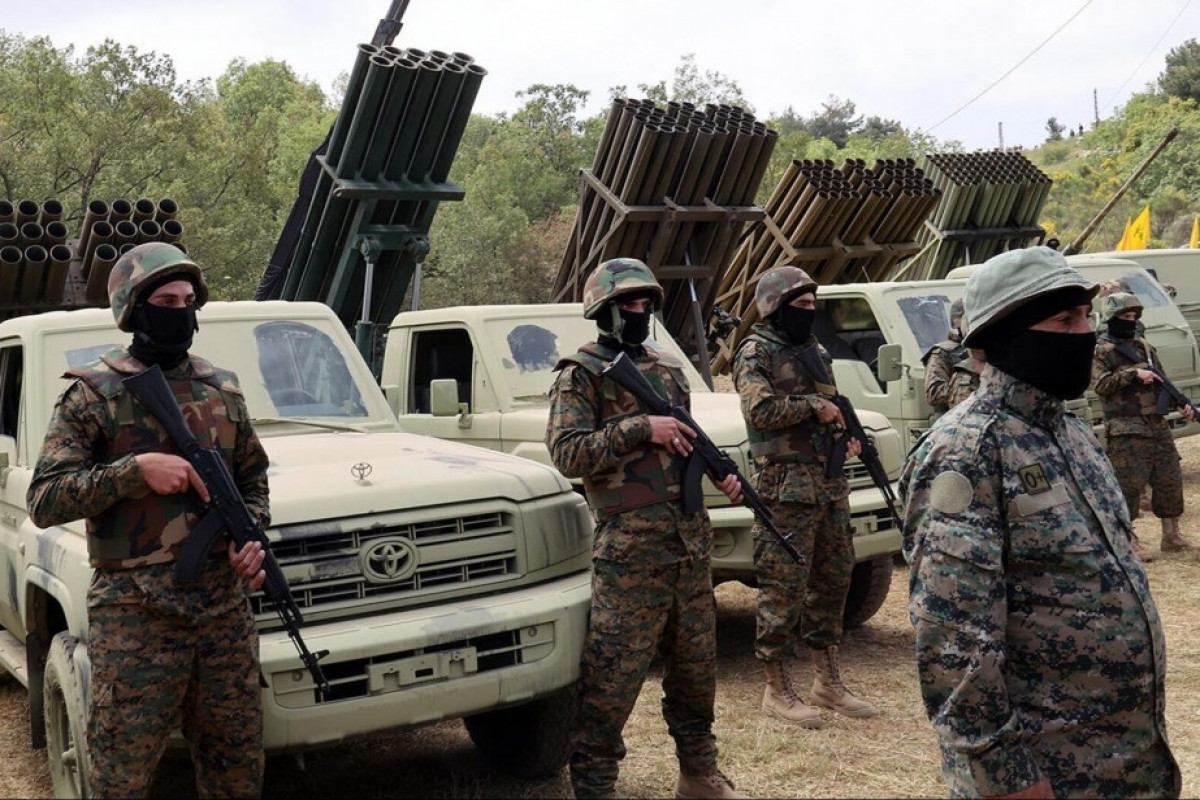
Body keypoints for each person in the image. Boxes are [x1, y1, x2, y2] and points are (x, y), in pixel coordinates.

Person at [900, 246, 1180, 799]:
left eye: (1085, 318)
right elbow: (953, 641)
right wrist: (1006, 777)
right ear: (1003, 337)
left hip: (1125, 761)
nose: (1084, 334)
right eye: (1063, 320)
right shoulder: (966, 451)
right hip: (1046, 774)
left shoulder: (1069, 431)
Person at [28, 242, 270, 799]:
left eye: (189, 301)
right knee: (121, 776)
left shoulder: (222, 389)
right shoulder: (93, 394)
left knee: (236, 770)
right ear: (134, 309)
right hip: (136, 616)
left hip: (223, 614)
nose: (180, 311)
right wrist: (134, 471)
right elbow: (46, 498)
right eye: (165, 300)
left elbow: (253, 478)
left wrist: (249, 536)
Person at [546, 258, 745, 800]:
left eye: (645, 305)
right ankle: (594, 785)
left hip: (687, 543)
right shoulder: (581, 373)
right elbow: (566, 453)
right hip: (630, 552)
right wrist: (640, 426)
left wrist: (721, 474)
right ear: (604, 312)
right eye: (628, 305)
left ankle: (699, 773)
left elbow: (686, 442)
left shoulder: (666, 369)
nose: (639, 313)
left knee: (696, 672)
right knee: (613, 678)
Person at [731, 265, 877, 729]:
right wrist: (815, 407)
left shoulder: (811, 349)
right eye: (801, 305)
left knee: (833, 582)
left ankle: (827, 681)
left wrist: (843, 436)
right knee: (783, 590)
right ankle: (776, 689)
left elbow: (828, 403)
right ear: (775, 307)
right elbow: (760, 408)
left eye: (814, 304)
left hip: (828, 487)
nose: (810, 312)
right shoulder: (755, 351)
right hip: (785, 491)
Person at [1092, 291, 1197, 557]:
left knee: (1169, 480)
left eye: (1133, 316)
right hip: (1126, 428)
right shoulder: (1101, 350)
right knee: (1128, 486)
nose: (1130, 320)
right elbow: (1101, 385)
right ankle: (1128, 540)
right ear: (1111, 318)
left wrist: (1180, 404)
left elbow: (1162, 382)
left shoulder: (1143, 346)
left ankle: (1171, 536)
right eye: (1124, 316)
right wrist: (1132, 373)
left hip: (1156, 424)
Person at [922, 297, 967, 416]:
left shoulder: (981, 349)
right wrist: (964, 388)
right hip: (952, 421)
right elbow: (933, 393)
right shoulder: (943, 352)